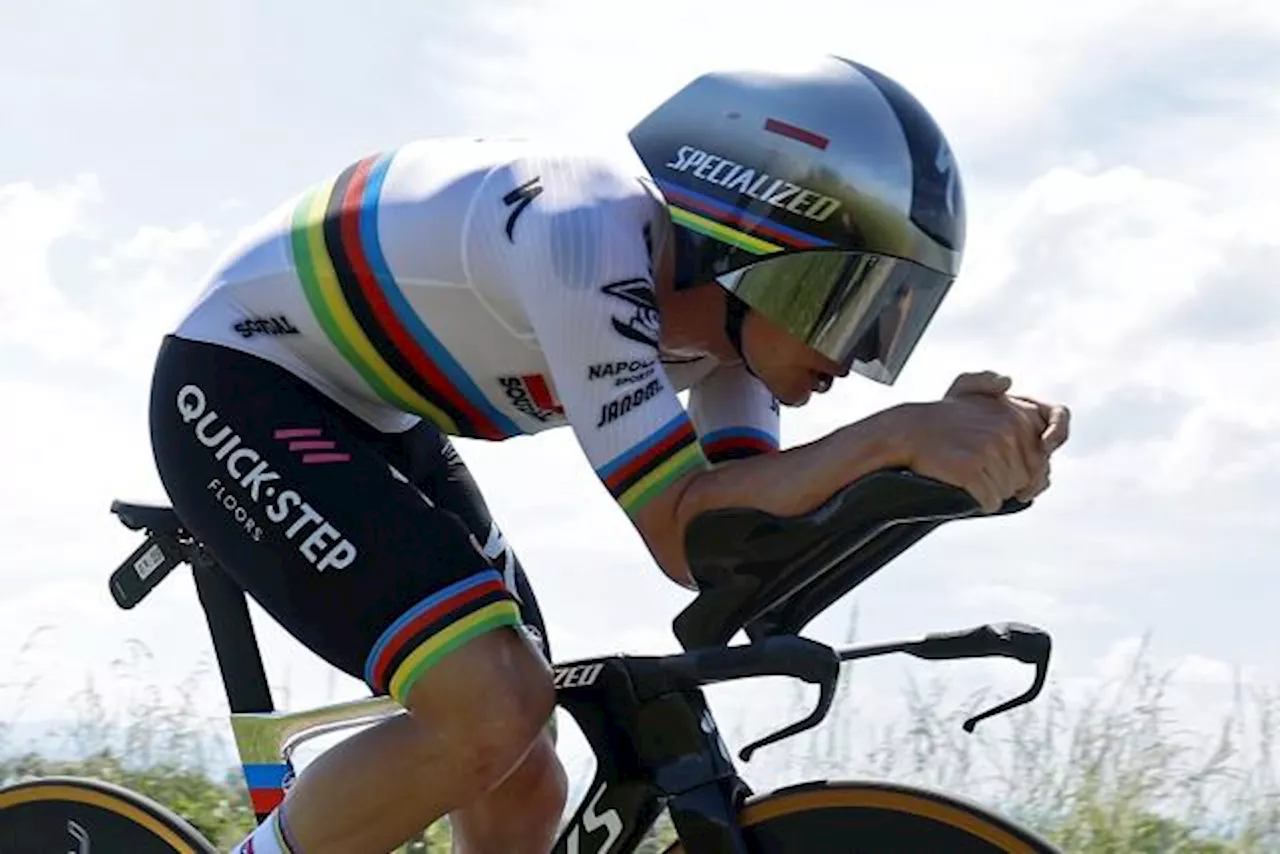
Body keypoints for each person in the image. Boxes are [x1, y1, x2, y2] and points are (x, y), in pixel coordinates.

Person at [146, 54, 1070, 854]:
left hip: (378, 418)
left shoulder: (724, 336)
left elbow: (736, 543)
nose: (853, 357)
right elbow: (680, 531)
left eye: (888, 318)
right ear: (752, 247)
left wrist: (938, 476)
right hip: (241, 382)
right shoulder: (583, 231)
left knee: (523, 773)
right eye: (848, 301)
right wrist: (896, 436)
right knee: (491, 708)